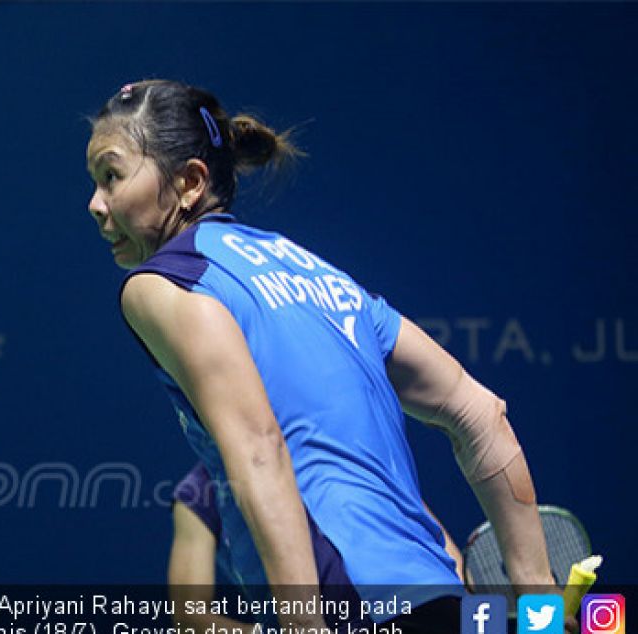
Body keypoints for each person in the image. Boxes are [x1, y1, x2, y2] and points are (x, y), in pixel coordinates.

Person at [85, 79, 562, 632]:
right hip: (445, 600)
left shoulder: (165, 283)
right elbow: (482, 416)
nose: (95, 204)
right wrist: (538, 607)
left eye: (112, 177)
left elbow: (261, 449)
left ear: (189, 182)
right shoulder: (317, 271)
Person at [168, 462, 466, 634]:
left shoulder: (333, 449)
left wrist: (477, 616)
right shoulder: (200, 491)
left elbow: (433, 542)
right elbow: (187, 613)